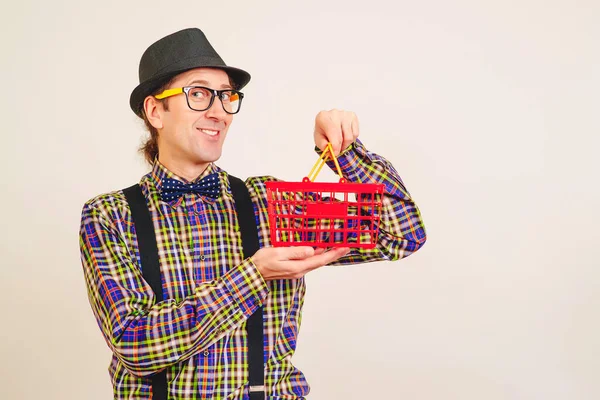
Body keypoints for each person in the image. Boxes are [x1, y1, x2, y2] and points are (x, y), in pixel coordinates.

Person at [79, 27, 427, 399]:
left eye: (227, 97)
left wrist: (345, 152)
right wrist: (255, 274)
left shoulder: (270, 202)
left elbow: (400, 234)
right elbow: (135, 346)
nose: (219, 112)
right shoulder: (109, 215)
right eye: (199, 94)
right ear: (155, 111)